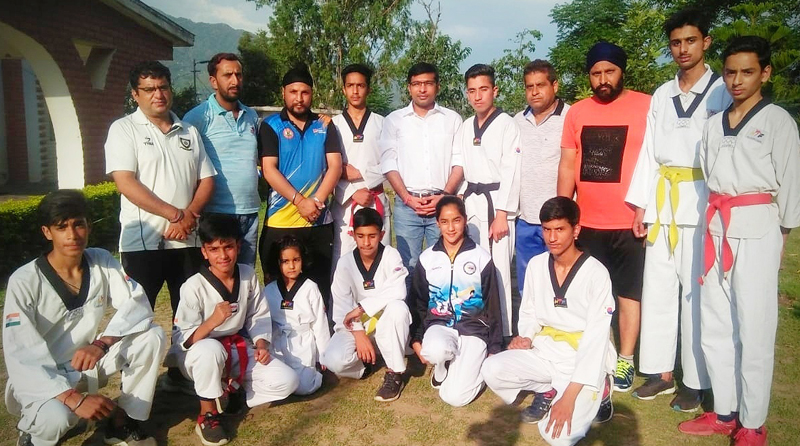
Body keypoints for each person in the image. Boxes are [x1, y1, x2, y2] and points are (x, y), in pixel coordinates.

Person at [678, 36, 800, 446]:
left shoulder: (779, 121)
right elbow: (710, 173)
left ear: (764, 73)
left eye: (747, 72)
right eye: (730, 72)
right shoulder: (713, 125)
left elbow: (791, 185)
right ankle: (725, 410)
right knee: (714, 323)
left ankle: (753, 422)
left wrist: (779, 236)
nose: (737, 80)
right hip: (716, 226)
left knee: (755, 325)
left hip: (758, 227)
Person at [625, 9, 731, 411]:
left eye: (690, 40)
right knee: (658, 290)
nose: (682, 49)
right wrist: (641, 206)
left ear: (705, 42)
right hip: (663, 204)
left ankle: (695, 380)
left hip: (702, 201)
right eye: (675, 42)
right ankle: (659, 372)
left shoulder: (721, 90)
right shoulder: (662, 94)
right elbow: (650, 152)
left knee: (696, 296)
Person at [3, 190, 164, 446]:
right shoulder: (24, 281)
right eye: (61, 227)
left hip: (87, 362)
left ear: (88, 226)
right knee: (56, 420)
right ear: (47, 232)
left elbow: (136, 302)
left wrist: (101, 343)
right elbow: (21, 353)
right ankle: (33, 433)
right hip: (45, 376)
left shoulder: (100, 259)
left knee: (151, 336)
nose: (72, 235)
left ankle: (123, 421)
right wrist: (74, 399)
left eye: (78, 224)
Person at [482, 197, 616, 446]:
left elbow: (597, 338)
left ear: (575, 230)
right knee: (492, 369)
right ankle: (547, 389)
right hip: (545, 351)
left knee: (557, 438)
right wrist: (527, 337)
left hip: (582, 360)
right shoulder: (536, 265)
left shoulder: (596, 274)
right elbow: (529, 311)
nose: (552, 237)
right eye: (546, 229)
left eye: (560, 229)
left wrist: (570, 397)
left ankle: (601, 388)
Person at [557, 42, 651, 392]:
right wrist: (563, 212)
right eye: (596, 73)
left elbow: (656, 161)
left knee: (628, 294)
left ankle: (625, 360)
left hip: (630, 223)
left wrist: (648, 207)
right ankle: (599, 352)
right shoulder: (577, 112)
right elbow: (568, 164)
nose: (603, 79)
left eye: (609, 71)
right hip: (589, 222)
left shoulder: (646, 106)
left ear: (621, 71)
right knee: (593, 295)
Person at [166, 214, 299, 445]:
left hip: (236, 350)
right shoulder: (193, 286)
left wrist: (260, 344)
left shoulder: (247, 274)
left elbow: (258, 314)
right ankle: (208, 414)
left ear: (238, 246)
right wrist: (212, 322)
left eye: (228, 247)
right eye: (214, 249)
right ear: (204, 252)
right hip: (198, 355)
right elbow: (182, 339)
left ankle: (233, 393)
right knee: (210, 349)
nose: (223, 255)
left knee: (288, 381)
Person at [105, 60, 216, 314]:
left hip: (187, 239)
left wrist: (188, 215)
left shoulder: (188, 131)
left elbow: (207, 179)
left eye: (163, 87)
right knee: (137, 318)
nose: (158, 94)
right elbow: (125, 182)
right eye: (149, 89)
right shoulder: (124, 129)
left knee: (191, 316)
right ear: (135, 94)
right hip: (142, 243)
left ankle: (185, 356)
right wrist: (174, 214)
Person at [258, 65, 343, 308]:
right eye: (293, 91)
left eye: (305, 92)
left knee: (319, 289)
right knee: (279, 291)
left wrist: (315, 202)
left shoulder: (325, 125)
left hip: (318, 222)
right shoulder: (271, 125)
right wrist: (299, 201)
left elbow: (335, 166)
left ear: (311, 94)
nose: (299, 98)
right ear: (283, 93)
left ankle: (320, 342)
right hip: (281, 221)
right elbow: (269, 170)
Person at [407, 196, 501, 407]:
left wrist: (494, 347)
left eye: (456, 220)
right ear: (437, 223)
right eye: (445, 222)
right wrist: (416, 338)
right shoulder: (427, 258)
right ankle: (442, 368)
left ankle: (475, 364)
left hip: (474, 329)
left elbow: (493, 304)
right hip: (440, 326)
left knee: (454, 398)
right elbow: (419, 302)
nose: (451, 228)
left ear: (465, 220)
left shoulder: (481, 258)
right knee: (433, 350)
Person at [380, 62, 463, 285]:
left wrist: (444, 197)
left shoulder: (452, 119)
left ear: (437, 86)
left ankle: (443, 316)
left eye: (428, 83)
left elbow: (459, 162)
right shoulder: (394, 120)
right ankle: (412, 319)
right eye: (417, 84)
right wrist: (407, 198)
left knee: (445, 263)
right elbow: (388, 163)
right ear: (409, 88)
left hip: (442, 204)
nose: (422, 89)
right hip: (408, 207)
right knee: (408, 267)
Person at [454, 63, 521, 338]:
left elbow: (512, 170)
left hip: (497, 205)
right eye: (472, 91)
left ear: (495, 90)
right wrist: (458, 198)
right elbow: (460, 164)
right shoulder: (466, 125)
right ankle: (474, 325)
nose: (478, 96)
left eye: (483, 89)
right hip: (471, 202)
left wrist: (503, 214)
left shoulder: (508, 124)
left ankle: (502, 331)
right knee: (471, 266)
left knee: (500, 271)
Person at [321, 208, 412, 402]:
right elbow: (342, 306)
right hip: (356, 326)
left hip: (386, 324)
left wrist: (362, 308)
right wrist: (359, 333)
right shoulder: (345, 263)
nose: (366, 242)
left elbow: (398, 290)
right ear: (353, 234)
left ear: (382, 234)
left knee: (398, 308)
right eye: (361, 236)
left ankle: (394, 372)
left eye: (372, 236)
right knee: (333, 360)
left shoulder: (391, 255)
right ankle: (365, 365)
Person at [183, 53, 262, 267]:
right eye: (227, 75)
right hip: (217, 214)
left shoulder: (251, 115)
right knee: (218, 282)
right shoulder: (197, 118)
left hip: (250, 214)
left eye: (238, 74)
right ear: (213, 81)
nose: (235, 81)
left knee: (245, 280)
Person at [514, 60, 570, 299]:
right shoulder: (517, 121)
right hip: (525, 219)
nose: (534, 92)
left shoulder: (571, 117)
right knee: (528, 284)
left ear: (554, 85)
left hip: (558, 219)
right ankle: (528, 333)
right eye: (529, 87)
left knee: (561, 279)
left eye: (540, 85)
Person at [331, 64, 391, 263]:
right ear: (344, 89)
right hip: (345, 201)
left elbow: (391, 163)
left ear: (369, 89)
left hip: (375, 198)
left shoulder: (383, 123)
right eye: (350, 86)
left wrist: (361, 175)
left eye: (360, 85)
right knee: (343, 260)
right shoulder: (333, 125)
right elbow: (326, 166)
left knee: (379, 258)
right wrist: (351, 192)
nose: (355, 91)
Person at [264, 235, 331, 395]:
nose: (291, 266)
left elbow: (319, 324)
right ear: (277, 263)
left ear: (303, 260)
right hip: (277, 342)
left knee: (304, 388)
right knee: (279, 382)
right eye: (285, 261)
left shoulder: (310, 288)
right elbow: (264, 321)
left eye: (296, 260)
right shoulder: (269, 290)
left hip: (303, 343)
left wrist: (324, 354)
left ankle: (316, 374)